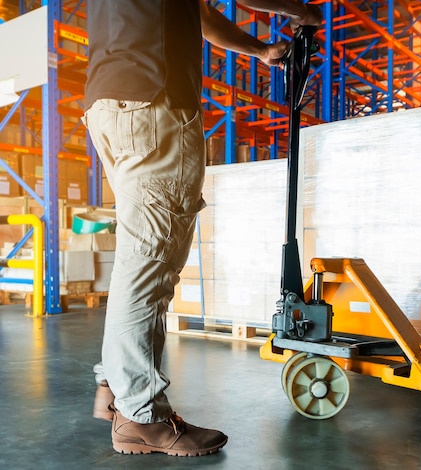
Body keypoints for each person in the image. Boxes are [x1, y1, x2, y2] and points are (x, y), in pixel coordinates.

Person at [82, 0, 322, 457]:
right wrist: (298, 10)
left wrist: (259, 50)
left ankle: (117, 385)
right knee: (150, 265)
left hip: (109, 103)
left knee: (138, 259)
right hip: (154, 102)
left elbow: (200, 13)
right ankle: (141, 417)